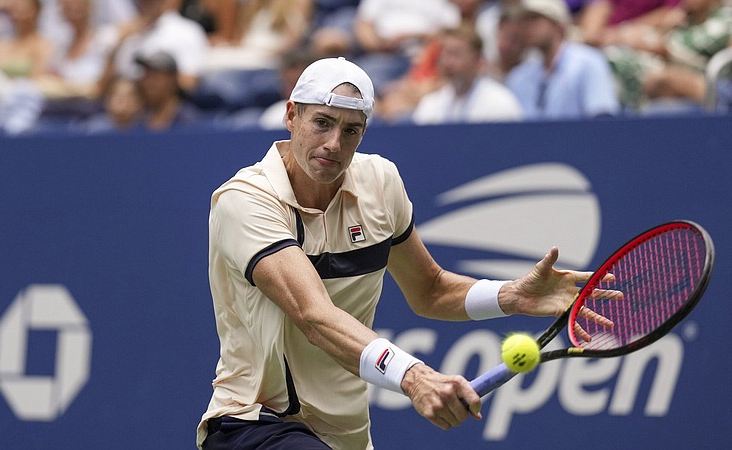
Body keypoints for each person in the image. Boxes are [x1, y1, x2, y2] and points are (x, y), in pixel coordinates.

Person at [197, 56, 602, 450]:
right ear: (292, 116)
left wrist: (511, 295)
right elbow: (313, 316)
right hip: (254, 422)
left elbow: (430, 290)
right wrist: (413, 376)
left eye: (352, 130)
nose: (334, 144)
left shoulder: (380, 182)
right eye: (322, 123)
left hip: (345, 434)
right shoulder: (246, 200)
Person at [505, 0, 620, 119]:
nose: (527, 28)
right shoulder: (519, 76)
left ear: (558, 24)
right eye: (523, 21)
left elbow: (602, 120)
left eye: (534, 19)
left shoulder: (589, 62)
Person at [412, 23, 523, 124]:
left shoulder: (499, 103)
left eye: (455, 54)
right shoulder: (431, 104)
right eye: (443, 54)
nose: (446, 62)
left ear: (478, 61)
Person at [135, 50, 203, 131]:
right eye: (146, 76)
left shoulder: (189, 121)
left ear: (173, 79)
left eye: (155, 77)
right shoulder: (138, 120)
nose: (148, 83)